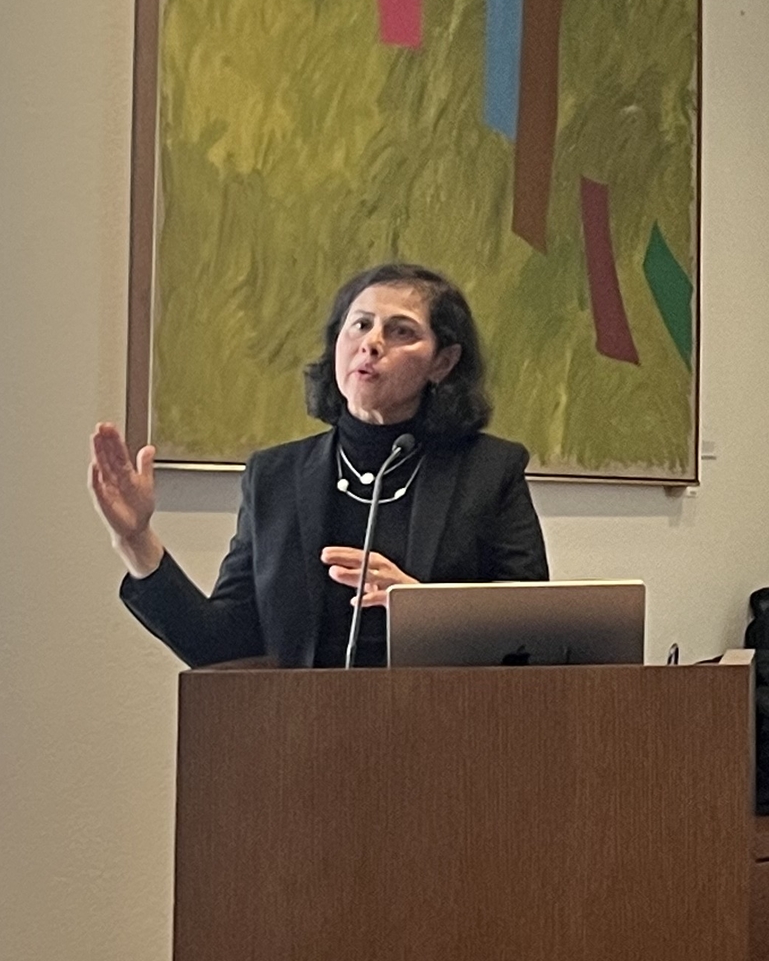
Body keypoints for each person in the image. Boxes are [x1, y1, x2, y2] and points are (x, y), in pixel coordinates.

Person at [92, 262, 549, 667]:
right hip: (304, 739)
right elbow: (222, 645)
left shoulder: (490, 471)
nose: (371, 344)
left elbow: (532, 635)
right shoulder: (275, 476)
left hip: (449, 731)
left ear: (443, 363)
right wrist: (136, 540)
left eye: (401, 331)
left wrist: (420, 606)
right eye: (360, 325)